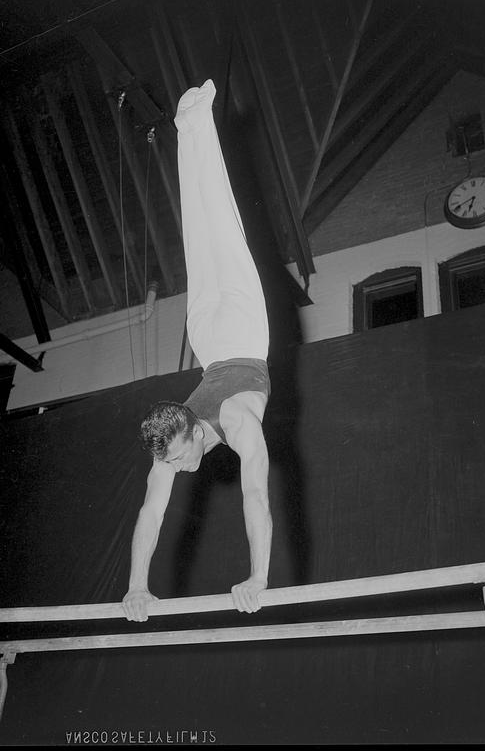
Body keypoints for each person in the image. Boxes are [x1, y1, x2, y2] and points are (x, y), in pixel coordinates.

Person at [122, 79, 272, 622]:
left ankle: (199, 121)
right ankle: (190, 127)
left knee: (221, 226)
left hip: (238, 335)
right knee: (201, 234)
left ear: (188, 427)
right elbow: (150, 513)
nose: (182, 467)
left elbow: (257, 495)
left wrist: (259, 576)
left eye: (180, 456)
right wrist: (136, 587)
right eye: (174, 460)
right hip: (207, 337)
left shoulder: (237, 422)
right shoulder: (172, 443)